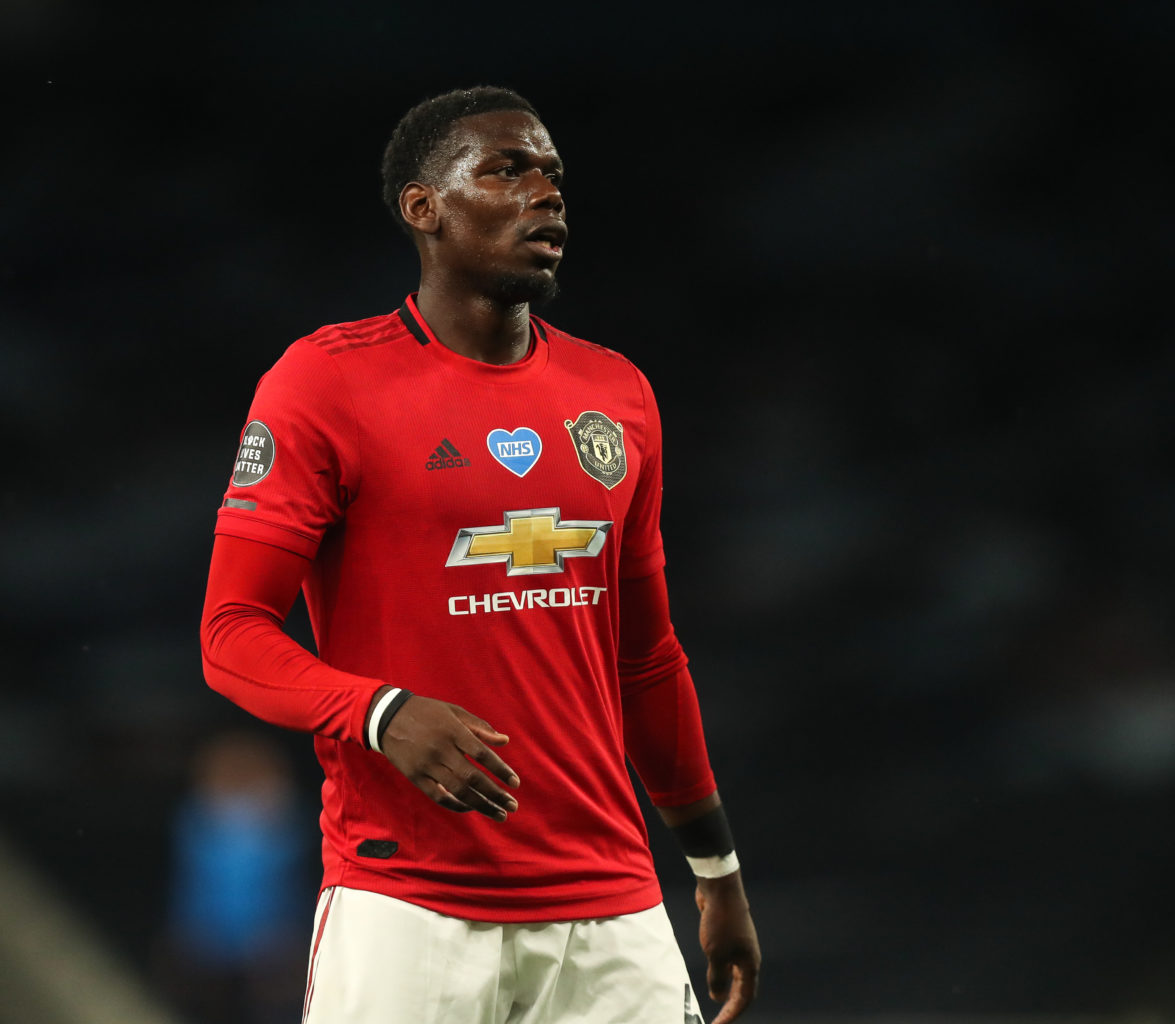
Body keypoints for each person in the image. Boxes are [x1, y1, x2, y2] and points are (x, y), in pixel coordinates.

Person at [199, 85, 760, 1024]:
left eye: (553, 175)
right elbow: (230, 633)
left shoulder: (614, 394)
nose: (547, 193)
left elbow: (648, 660)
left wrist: (716, 871)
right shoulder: (325, 384)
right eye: (507, 170)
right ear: (423, 208)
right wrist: (377, 712)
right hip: (407, 910)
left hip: (614, 913)